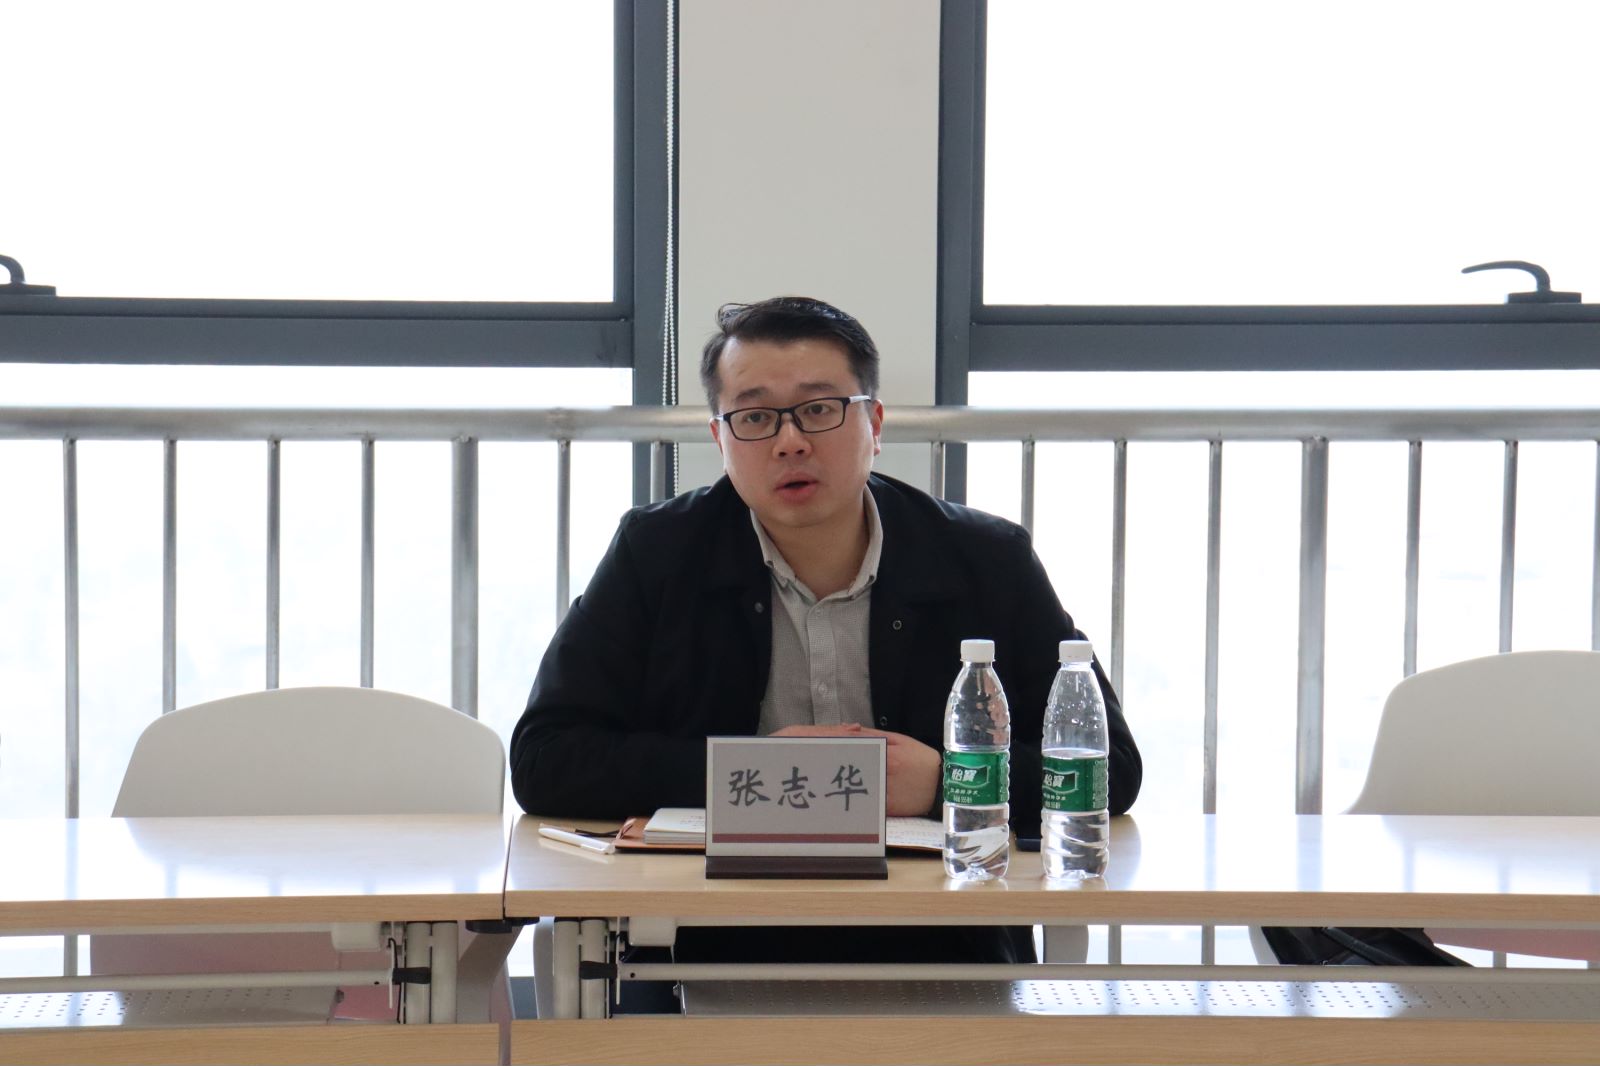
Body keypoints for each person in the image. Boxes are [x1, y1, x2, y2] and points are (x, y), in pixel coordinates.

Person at [510, 295, 1140, 971]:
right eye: (755, 417)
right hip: (702, 942)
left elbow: (1114, 770)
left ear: (874, 423)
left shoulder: (986, 560)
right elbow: (546, 760)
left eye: (818, 409)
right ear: (720, 439)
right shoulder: (656, 554)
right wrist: (757, 774)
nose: (790, 441)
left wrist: (947, 781)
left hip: (944, 942)